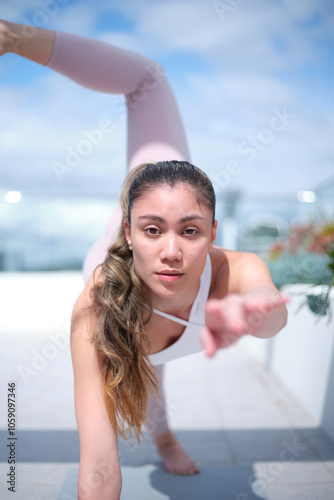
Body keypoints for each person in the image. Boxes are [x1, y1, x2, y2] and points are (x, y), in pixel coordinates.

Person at [0, 20, 288, 500]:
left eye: (192, 232)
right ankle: (11, 36)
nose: (173, 252)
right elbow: (97, 470)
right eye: (152, 231)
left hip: (161, 237)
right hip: (124, 294)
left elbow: (269, 312)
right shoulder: (97, 308)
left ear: (213, 233)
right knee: (140, 366)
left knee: (154, 366)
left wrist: (260, 311)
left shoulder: (233, 269)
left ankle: (165, 437)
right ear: (128, 232)